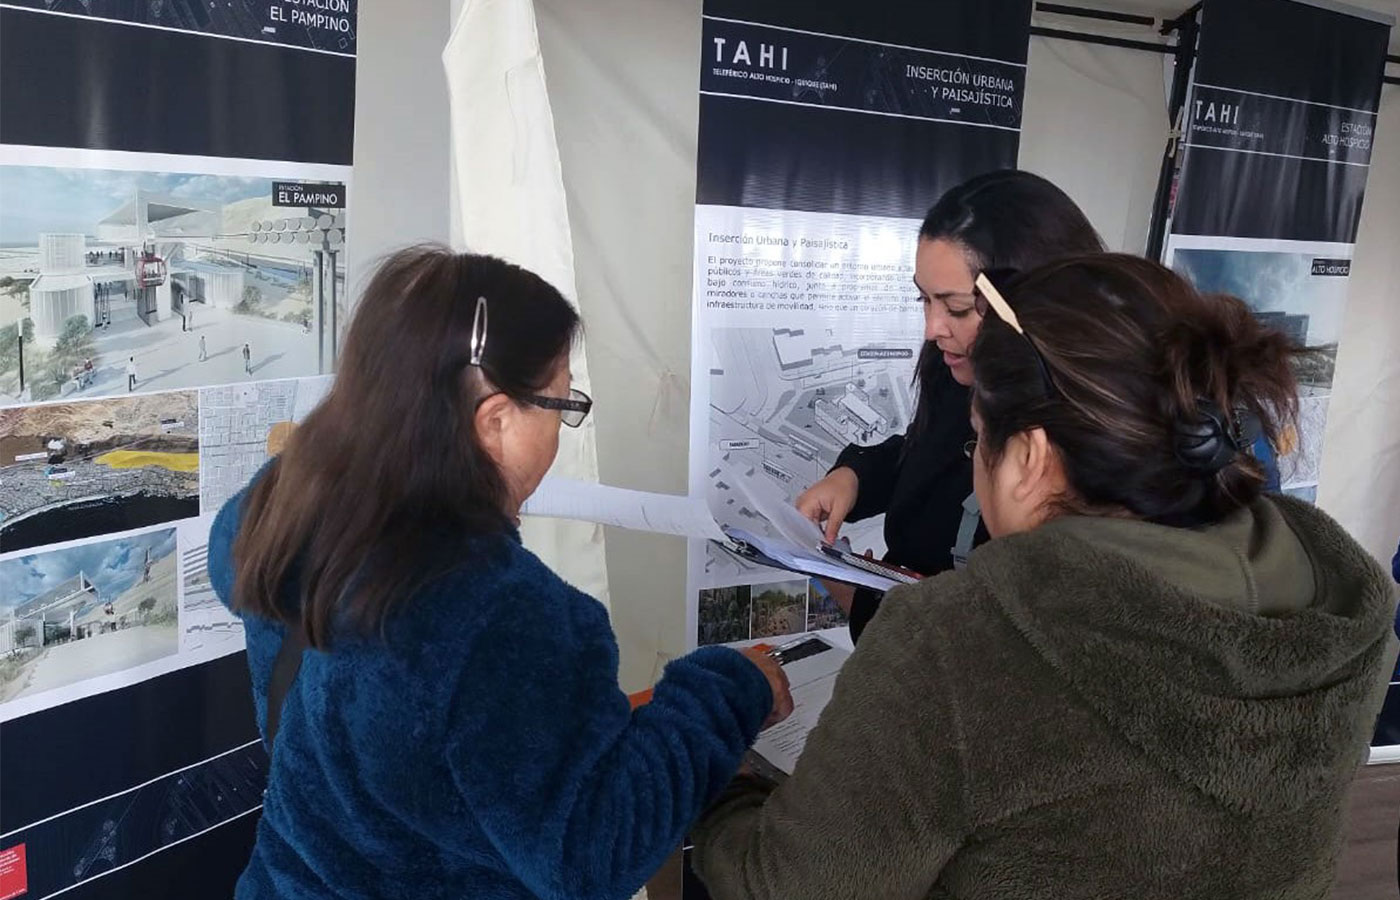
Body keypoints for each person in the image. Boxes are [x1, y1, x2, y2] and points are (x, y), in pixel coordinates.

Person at [692, 255, 1396, 899]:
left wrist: (728, 788)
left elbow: (792, 888)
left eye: (978, 434)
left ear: (1029, 456)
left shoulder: (953, 646)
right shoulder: (1346, 603)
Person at [208, 247, 793, 900]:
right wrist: (730, 689)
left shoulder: (288, 498)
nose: (565, 420)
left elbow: (423, 733)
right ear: (495, 422)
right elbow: (594, 852)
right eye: (563, 401)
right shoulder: (499, 614)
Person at [796, 170, 1103, 641]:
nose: (932, 328)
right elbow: (925, 454)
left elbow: (996, 649)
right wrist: (854, 475)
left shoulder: (1085, 448)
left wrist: (867, 605)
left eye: (957, 309)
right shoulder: (953, 364)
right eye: (923, 299)